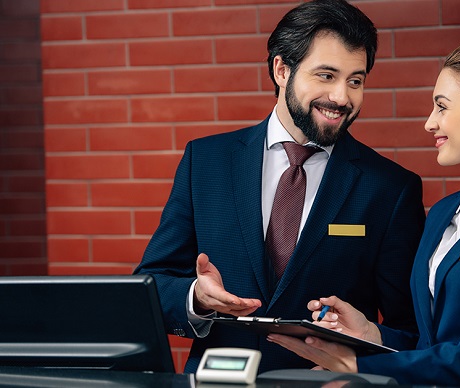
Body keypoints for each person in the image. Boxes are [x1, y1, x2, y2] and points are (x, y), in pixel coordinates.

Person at [268, 38, 460, 386]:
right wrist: (371, 335)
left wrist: (360, 366)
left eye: (442, 107)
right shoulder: (444, 213)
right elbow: (430, 345)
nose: (430, 123)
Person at [134, 0, 425, 374]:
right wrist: (197, 298)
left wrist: (365, 352)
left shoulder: (390, 188)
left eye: (356, 80)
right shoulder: (205, 162)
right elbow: (150, 286)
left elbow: (410, 331)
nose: (342, 97)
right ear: (282, 69)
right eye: (326, 75)